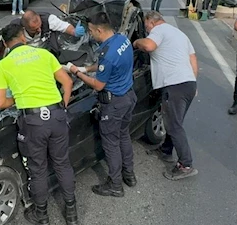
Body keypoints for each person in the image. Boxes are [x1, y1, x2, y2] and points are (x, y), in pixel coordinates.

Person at [0, 23, 78, 225]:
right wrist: (61, 107)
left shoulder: (3, 65)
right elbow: (67, 83)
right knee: (62, 163)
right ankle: (72, 215)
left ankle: (42, 216)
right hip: (56, 116)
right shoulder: (44, 54)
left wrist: (19, 98)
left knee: (38, 169)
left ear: (5, 43)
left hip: (33, 122)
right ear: (23, 37)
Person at [68, 12, 136, 196]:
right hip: (129, 96)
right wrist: (87, 68)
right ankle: (129, 174)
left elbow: (98, 85)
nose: (90, 34)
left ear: (99, 29)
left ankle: (115, 185)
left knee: (111, 144)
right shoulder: (122, 40)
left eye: (91, 31)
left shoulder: (107, 54)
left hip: (113, 104)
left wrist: (77, 72)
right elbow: (107, 66)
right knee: (124, 136)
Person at [133, 11, 199, 180]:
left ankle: (186, 165)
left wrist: (136, 42)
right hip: (188, 84)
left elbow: (148, 46)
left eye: (146, 26)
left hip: (174, 85)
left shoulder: (159, 30)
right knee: (174, 121)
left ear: (151, 22)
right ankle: (166, 150)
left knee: (174, 126)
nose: (146, 29)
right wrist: (193, 80)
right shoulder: (180, 34)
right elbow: (193, 59)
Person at [15, 10, 86, 57]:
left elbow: (65, 26)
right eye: (35, 29)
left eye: (40, 26)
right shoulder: (15, 29)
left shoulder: (48, 19)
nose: (39, 30)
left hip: (46, 53)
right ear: (25, 28)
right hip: (25, 56)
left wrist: (74, 31)